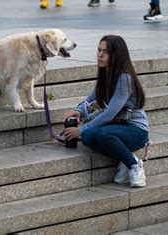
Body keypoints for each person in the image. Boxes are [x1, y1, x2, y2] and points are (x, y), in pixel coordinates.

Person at [63, 35, 149, 188]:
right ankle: (125, 159)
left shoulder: (124, 78)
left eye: (106, 52)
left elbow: (109, 114)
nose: (100, 55)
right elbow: (91, 99)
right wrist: (79, 112)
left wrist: (80, 130)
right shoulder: (106, 74)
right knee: (89, 137)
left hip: (136, 131)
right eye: (99, 50)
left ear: (117, 55)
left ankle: (134, 164)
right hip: (118, 128)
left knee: (95, 133)